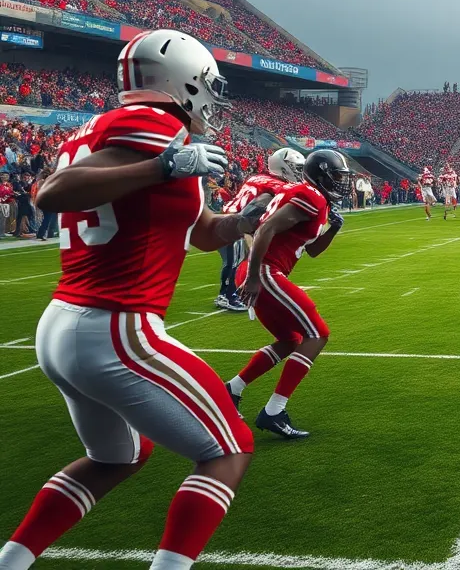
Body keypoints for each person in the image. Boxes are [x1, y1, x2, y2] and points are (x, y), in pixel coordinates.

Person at [0, 29, 267, 570]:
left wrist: (241, 222)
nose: (214, 99)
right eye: (209, 86)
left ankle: (11, 561)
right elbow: (52, 193)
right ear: (184, 83)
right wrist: (163, 166)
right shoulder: (154, 125)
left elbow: (202, 232)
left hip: (67, 323)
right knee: (229, 447)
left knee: (117, 456)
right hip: (115, 323)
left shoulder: (110, 128)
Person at [230, 149, 352, 440]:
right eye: (336, 176)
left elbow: (310, 251)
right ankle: (274, 411)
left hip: (264, 271)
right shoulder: (310, 196)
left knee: (290, 340)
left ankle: (232, 389)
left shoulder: (314, 198)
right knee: (318, 334)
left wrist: (333, 230)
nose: (340, 183)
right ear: (321, 174)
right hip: (265, 271)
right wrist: (253, 277)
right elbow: (265, 230)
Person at [214, 148, 305, 312]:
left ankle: (232, 293)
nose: (299, 172)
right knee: (235, 261)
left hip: (237, 221)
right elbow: (292, 194)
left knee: (241, 260)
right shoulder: (273, 183)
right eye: (296, 168)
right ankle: (227, 296)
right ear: (283, 166)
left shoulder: (261, 178)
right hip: (233, 223)